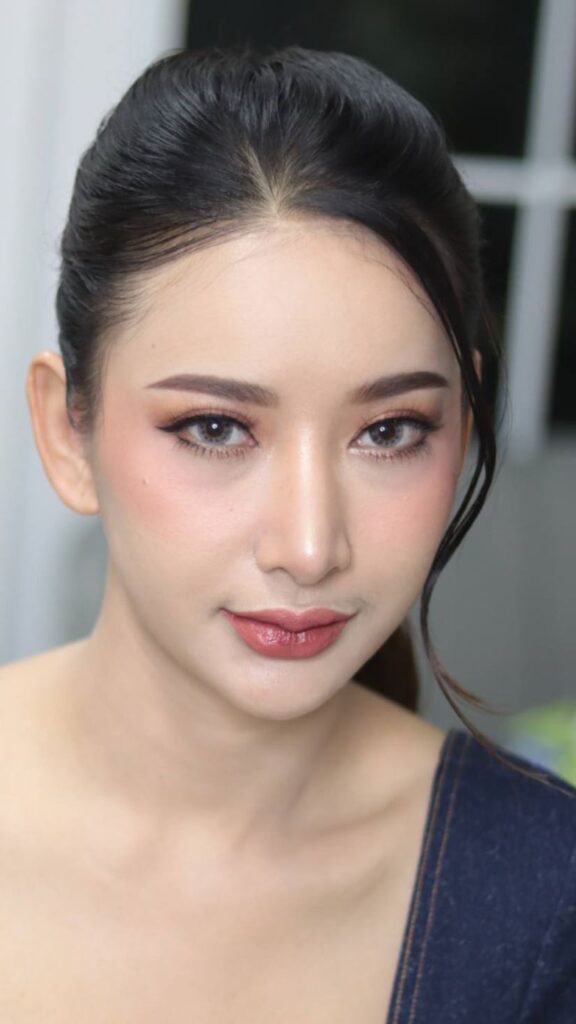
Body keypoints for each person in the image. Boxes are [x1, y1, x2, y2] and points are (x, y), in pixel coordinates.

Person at [0, 43, 574, 1021]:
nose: (310, 548)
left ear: (463, 428)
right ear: (68, 432)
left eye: (390, 431)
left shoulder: (546, 901)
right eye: (215, 428)